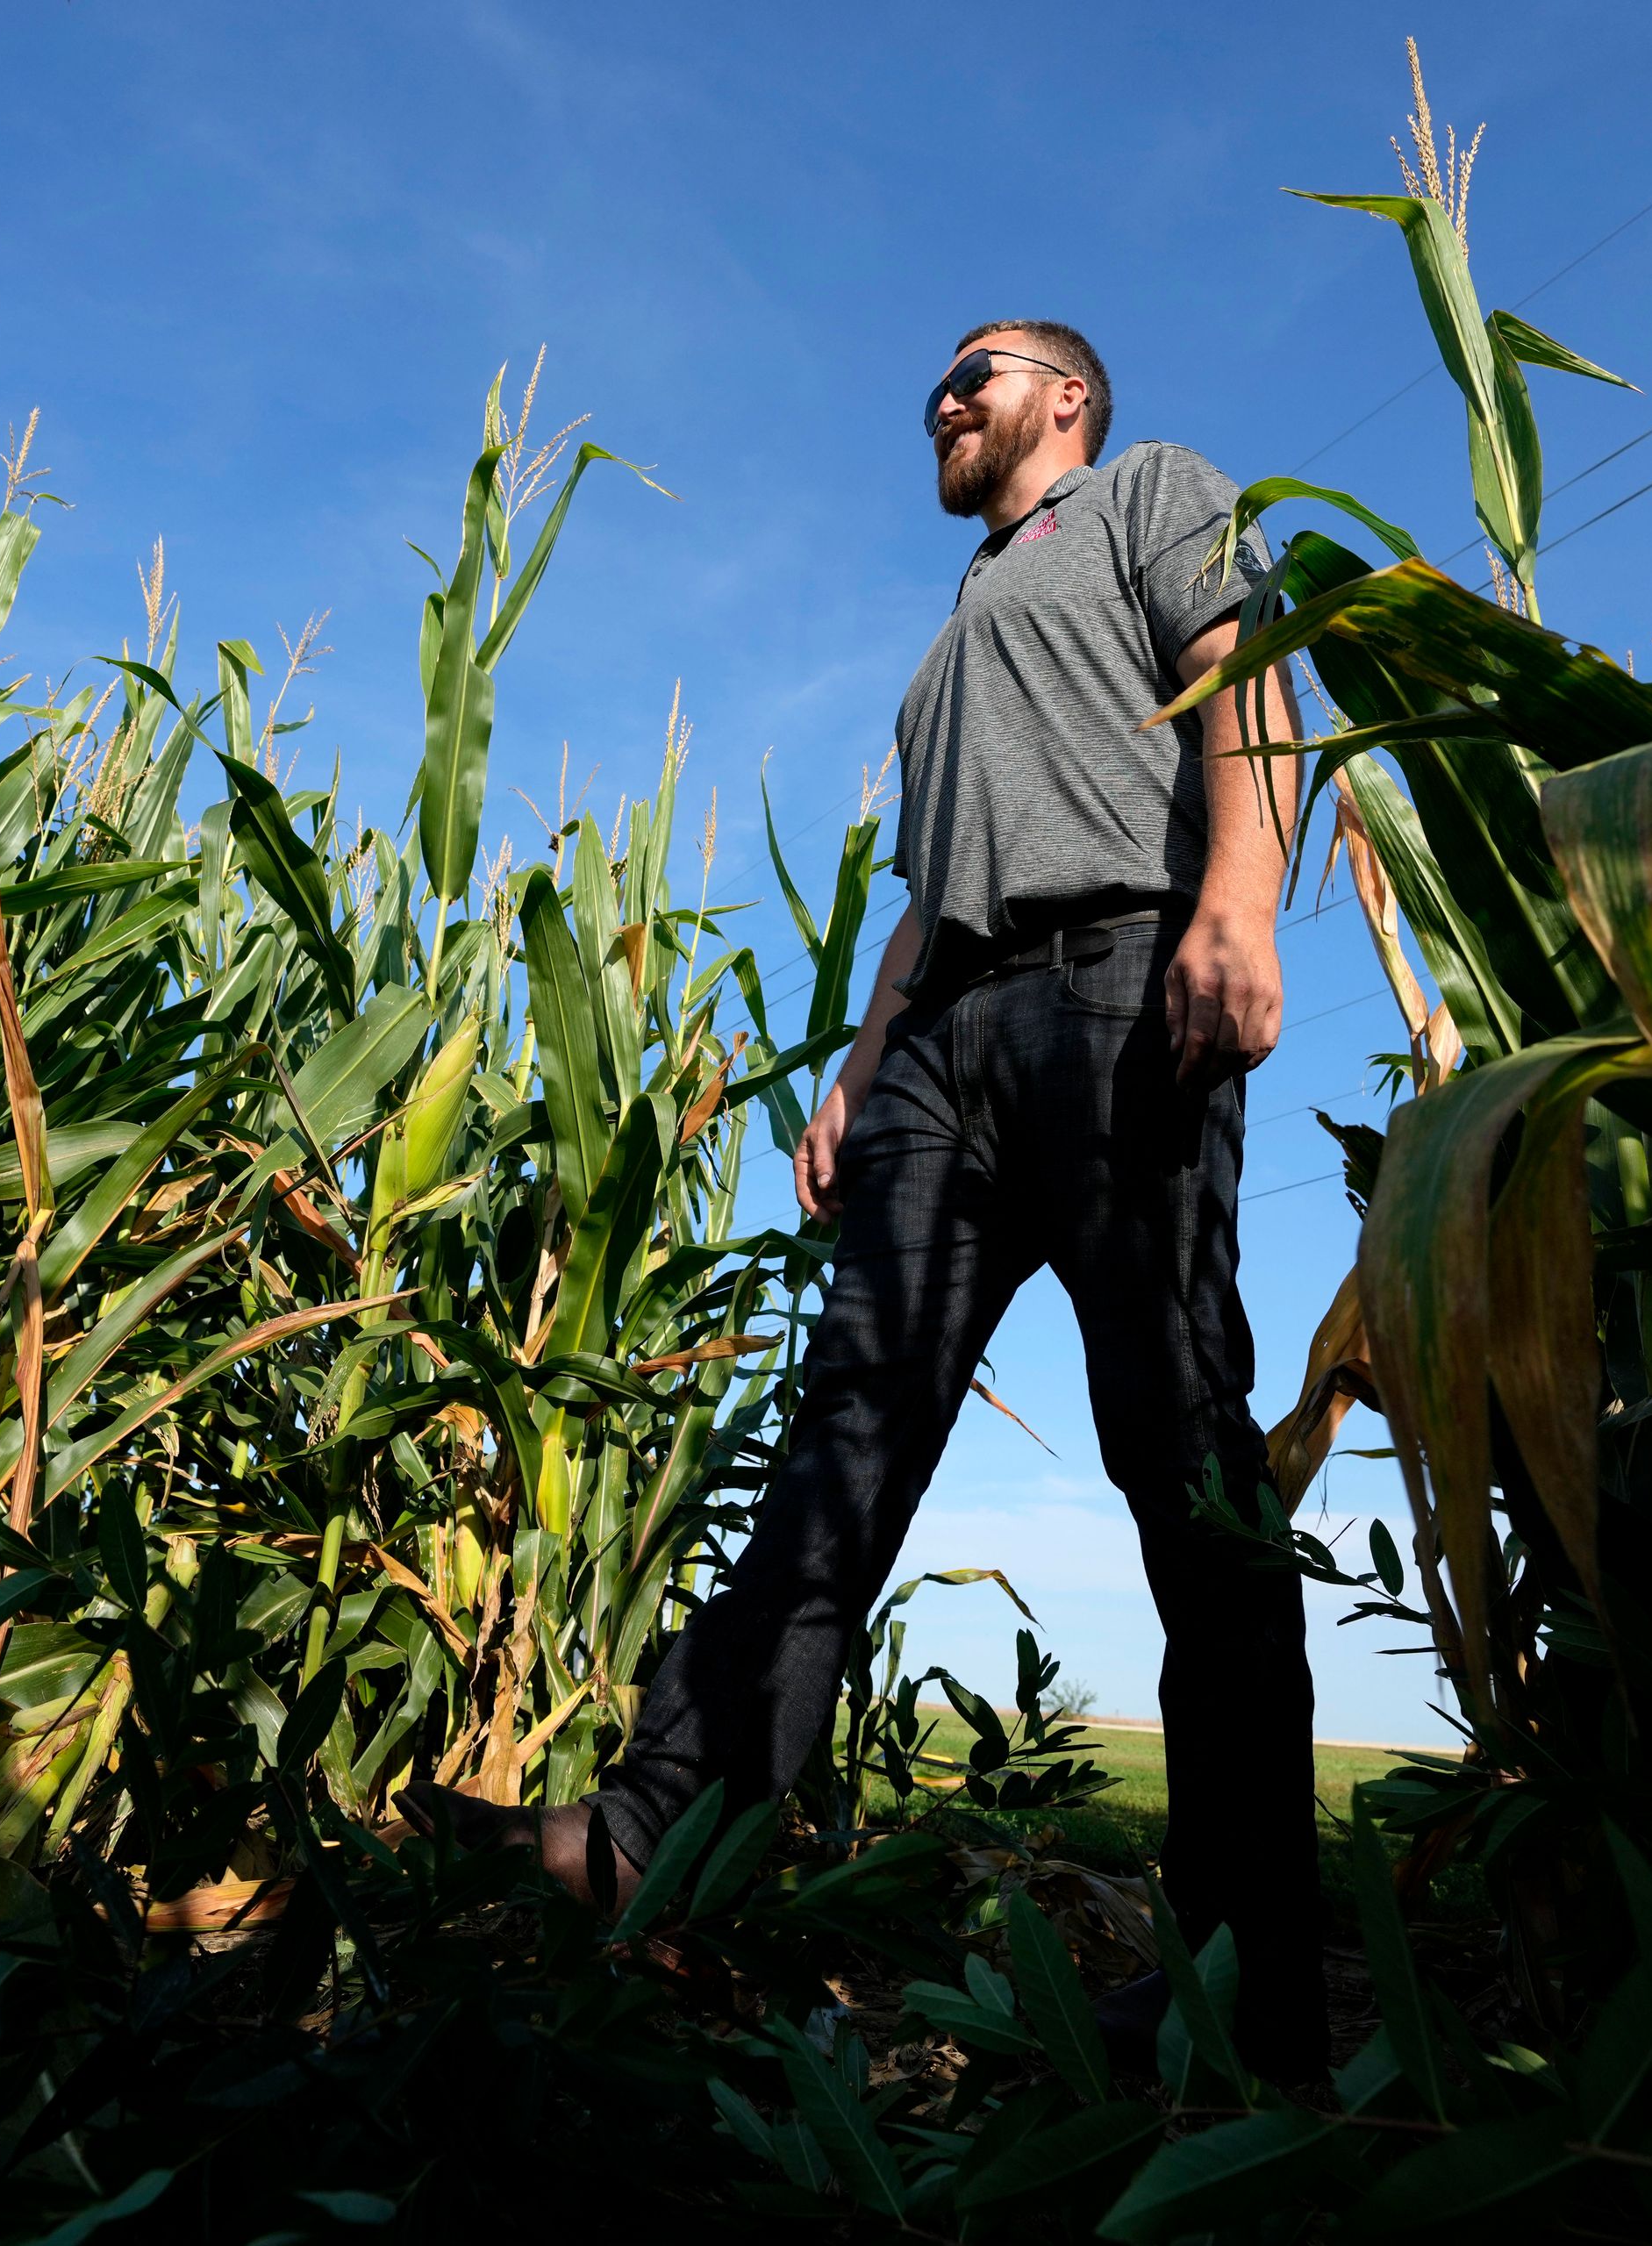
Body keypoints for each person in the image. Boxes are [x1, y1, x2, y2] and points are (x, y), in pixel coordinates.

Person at [411, 319, 1324, 2080]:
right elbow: (925, 898)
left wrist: (1244, 901)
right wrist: (857, 1067)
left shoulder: (1153, 493)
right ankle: (644, 1845)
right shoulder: (949, 653)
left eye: (981, 369)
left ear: (1067, 397)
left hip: (1123, 991)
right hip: (948, 1044)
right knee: (838, 1450)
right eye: (938, 377)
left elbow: (1243, 684)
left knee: (1185, 1455)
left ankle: (1247, 1983)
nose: (944, 393)